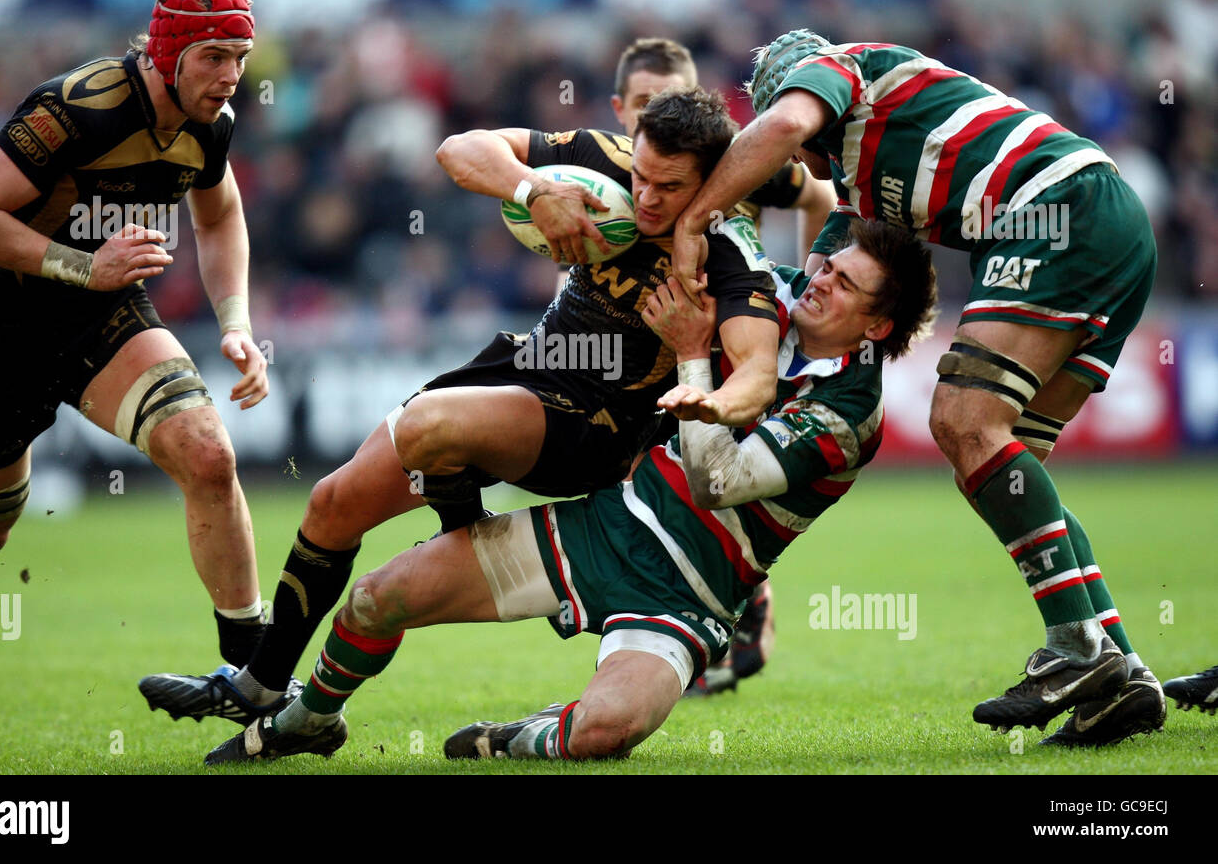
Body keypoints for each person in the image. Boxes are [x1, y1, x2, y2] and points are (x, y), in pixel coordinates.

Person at [137, 86, 785, 729]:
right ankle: (260, 683)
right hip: (527, 366)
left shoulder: (729, 253)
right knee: (334, 502)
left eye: (668, 187)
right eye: (640, 175)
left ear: (710, 183)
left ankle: (463, 529)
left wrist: (701, 376)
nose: (644, 196)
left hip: (596, 422)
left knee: (429, 427)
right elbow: (460, 149)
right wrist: (534, 189)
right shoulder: (605, 158)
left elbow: (756, 372)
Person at [201, 218, 938, 764]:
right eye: (828, 265)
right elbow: (729, 222)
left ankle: (516, 737)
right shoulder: (762, 297)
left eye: (845, 285)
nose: (821, 280)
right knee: (374, 599)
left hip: (691, 594)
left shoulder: (849, 411)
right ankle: (306, 721)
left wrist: (690, 352)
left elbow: (716, 483)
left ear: (877, 324)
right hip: (599, 529)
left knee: (606, 731)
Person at [669, 29, 1163, 747]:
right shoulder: (861, 182)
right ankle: (1120, 665)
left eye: (800, 143)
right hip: (1108, 224)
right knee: (1006, 461)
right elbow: (818, 274)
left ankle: (1078, 648)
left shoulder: (836, 70)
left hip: (1057, 212)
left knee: (964, 421)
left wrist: (694, 219)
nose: (800, 163)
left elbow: (781, 128)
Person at [0, 0, 275, 754]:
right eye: (215, 55)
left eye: (241, 57)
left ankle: (253, 680)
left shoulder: (208, 122)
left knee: (208, 452)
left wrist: (236, 321)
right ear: (172, 53)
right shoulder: (76, 106)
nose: (231, 76)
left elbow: (219, 217)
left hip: (99, 311)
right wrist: (84, 265)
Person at [610, 37, 837, 697]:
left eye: (669, 97)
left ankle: (729, 615)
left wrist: (805, 277)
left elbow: (819, 195)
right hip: (638, 345)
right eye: (643, 104)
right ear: (622, 109)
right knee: (641, 480)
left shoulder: (742, 167)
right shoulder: (610, 171)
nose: (653, 113)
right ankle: (697, 621)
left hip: (716, 341)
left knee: (690, 478)